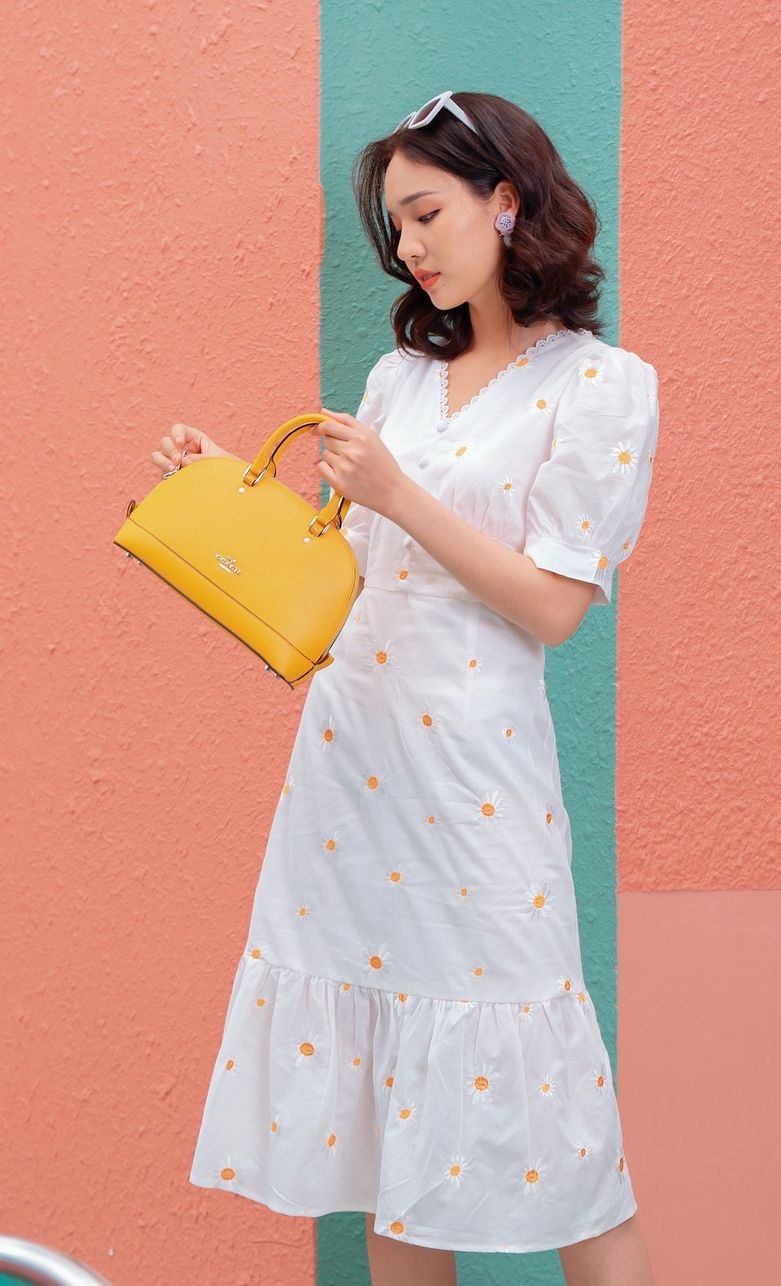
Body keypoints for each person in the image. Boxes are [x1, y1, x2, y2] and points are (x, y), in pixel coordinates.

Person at [155, 91, 659, 1286]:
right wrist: (231, 496)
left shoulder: (603, 386)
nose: (412, 246)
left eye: (426, 212)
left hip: (479, 785)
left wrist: (396, 493)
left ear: (508, 197)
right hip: (351, 774)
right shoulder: (396, 381)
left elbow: (552, 606)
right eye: (396, 228)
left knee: (569, 1147)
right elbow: (353, 572)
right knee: (393, 1138)